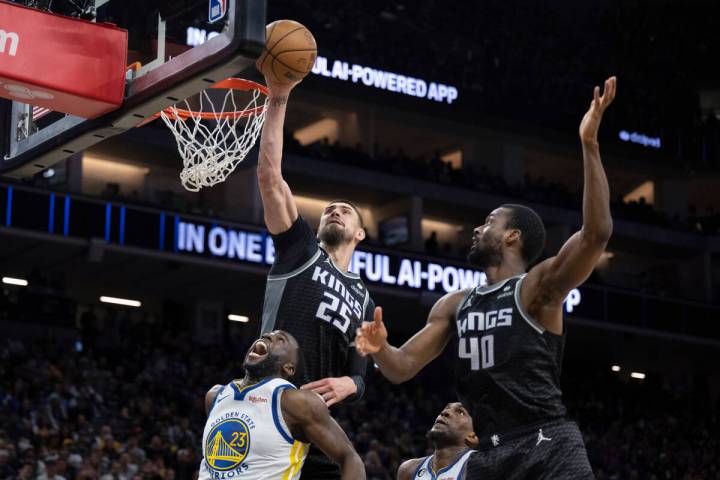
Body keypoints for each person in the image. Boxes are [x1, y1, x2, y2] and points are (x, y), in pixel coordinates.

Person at [357, 77, 617, 479]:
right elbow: (402, 366)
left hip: (547, 442)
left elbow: (597, 233)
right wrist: (380, 347)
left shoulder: (536, 288)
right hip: (487, 455)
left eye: (489, 222)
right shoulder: (455, 304)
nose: (477, 229)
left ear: (512, 236)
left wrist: (589, 145)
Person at [256, 72, 376, 478]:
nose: (334, 210)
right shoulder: (301, 250)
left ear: (359, 233)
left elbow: (361, 374)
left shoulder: (364, 300)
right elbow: (271, 178)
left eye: (345, 210)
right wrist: (279, 97)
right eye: (329, 208)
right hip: (270, 407)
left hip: (317, 423)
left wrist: (351, 386)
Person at [198, 330, 365, 480]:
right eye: (265, 336)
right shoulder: (214, 396)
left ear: (289, 367)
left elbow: (351, 459)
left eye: (281, 340)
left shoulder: (296, 402)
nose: (268, 337)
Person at [397, 402, 478, 480]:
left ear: (472, 436)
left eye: (460, 412)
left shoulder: (479, 467)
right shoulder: (408, 470)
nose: (444, 412)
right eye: (446, 408)